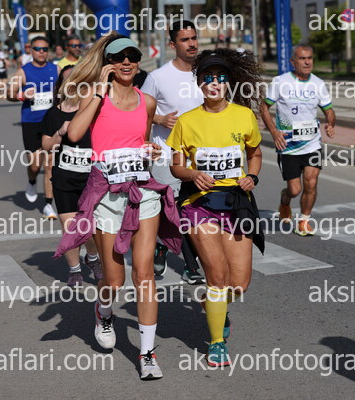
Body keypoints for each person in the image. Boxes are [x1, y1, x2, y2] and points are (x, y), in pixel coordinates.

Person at [54, 32, 181, 380]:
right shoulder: (96, 96)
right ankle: (104, 311)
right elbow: (75, 135)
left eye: (132, 56)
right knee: (114, 279)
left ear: (139, 62)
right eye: (118, 57)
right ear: (108, 62)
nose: (126, 62)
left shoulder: (146, 101)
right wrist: (97, 92)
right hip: (107, 197)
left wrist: (151, 151)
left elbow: (141, 142)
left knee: (144, 274)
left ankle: (148, 353)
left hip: (142, 192)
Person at [168, 48, 264, 367]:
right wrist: (192, 174)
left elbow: (255, 153)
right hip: (200, 205)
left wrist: (252, 176)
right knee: (217, 278)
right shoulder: (187, 121)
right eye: (207, 78)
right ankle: (217, 343)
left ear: (228, 83)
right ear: (199, 83)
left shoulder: (244, 116)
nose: (214, 83)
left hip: (236, 204)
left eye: (220, 78)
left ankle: (214, 305)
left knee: (239, 284)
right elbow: (176, 166)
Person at [141, 19, 205, 283]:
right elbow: (140, 111)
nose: (191, 44)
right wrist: (158, 119)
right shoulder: (157, 77)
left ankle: (163, 245)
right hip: (167, 155)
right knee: (176, 211)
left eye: (194, 38)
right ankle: (190, 266)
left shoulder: (206, 73)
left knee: (197, 211)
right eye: (184, 39)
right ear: (172, 44)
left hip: (201, 158)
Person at [259, 43, 336, 236]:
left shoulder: (318, 84)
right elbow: (263, 107)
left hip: (312, 143)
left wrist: (330, 123)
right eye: (302, 58)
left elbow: (329, 109)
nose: (307, 62)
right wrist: (274, 132)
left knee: (311, 182)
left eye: (310, 58)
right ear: (293, 62)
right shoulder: (280, 82)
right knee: (294, 189)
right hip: (288, 146)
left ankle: (304, 221)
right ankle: (285, 200)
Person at [41, 65, 103, 287]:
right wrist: (59, 133)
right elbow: (46, 146)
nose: (73, 85)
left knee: (89, 229)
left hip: (90, 179)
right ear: (62, 85)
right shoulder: (53, 113)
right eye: (68, 81)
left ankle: (92, 258)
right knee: (71, 228)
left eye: (77, 80)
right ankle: (75, 271)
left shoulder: (92, 110)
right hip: (64, 179)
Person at [7, 36, 59, 219]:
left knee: (49, 165)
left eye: (45, 49)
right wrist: (22, 96)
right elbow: (9, 94)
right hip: (31, 123)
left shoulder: (56, 69)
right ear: (31, 50)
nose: (41, 52)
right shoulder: (23, 72)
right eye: (37, 49)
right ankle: (31, 181)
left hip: (51, 123)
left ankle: (48, 204)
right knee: (35, 165)